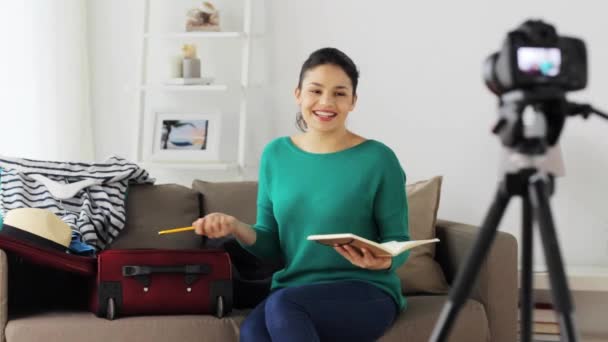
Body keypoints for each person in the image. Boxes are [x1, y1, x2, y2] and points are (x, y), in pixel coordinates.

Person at [192, 47, 409, 342]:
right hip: (294, 289)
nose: (326, 102)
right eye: (315, 91)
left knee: (284, 306)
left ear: (353, 102)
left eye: (339, 93)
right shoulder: (276, 155)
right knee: (253, 332)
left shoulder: (379, 159)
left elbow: (399, 239)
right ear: (298, 94)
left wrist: (383, 261)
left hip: (365, 289)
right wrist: (235, 226)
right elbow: (271, 244)